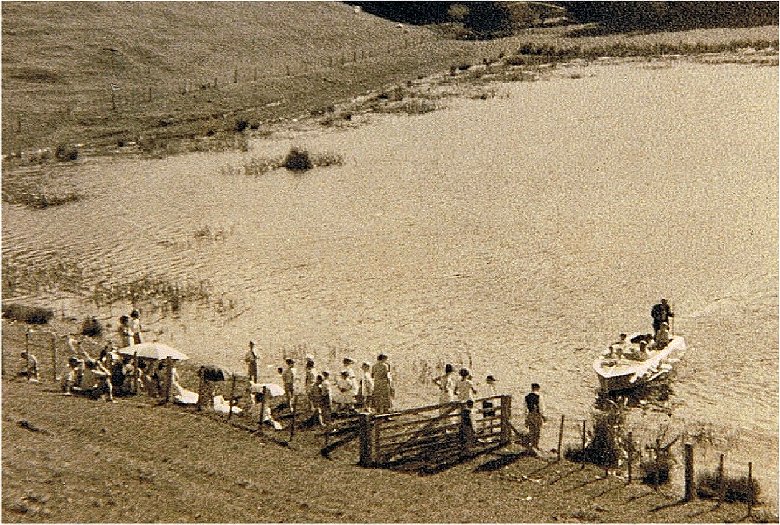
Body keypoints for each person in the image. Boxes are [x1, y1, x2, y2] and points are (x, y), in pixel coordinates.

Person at [525, 383, 547, 454]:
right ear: (538, 388)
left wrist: (526, 418)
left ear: (532, 388)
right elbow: (541, 408)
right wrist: (544, 416)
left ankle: (531, 446)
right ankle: (536, 445)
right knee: (537, 431)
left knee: (531, 431)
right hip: (537, 415)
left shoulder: (527, 397)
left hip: (530, 414)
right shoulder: (539, 396)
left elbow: (525, 409)